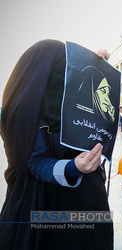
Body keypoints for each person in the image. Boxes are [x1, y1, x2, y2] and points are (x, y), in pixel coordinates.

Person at [0, 39, 113, 249]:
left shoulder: (70, 101)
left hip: (87, 203)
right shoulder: (24, 112)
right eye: (63, 70)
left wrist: (97, 65)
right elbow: (34, 161)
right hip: (42, 205)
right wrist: (72, 167)